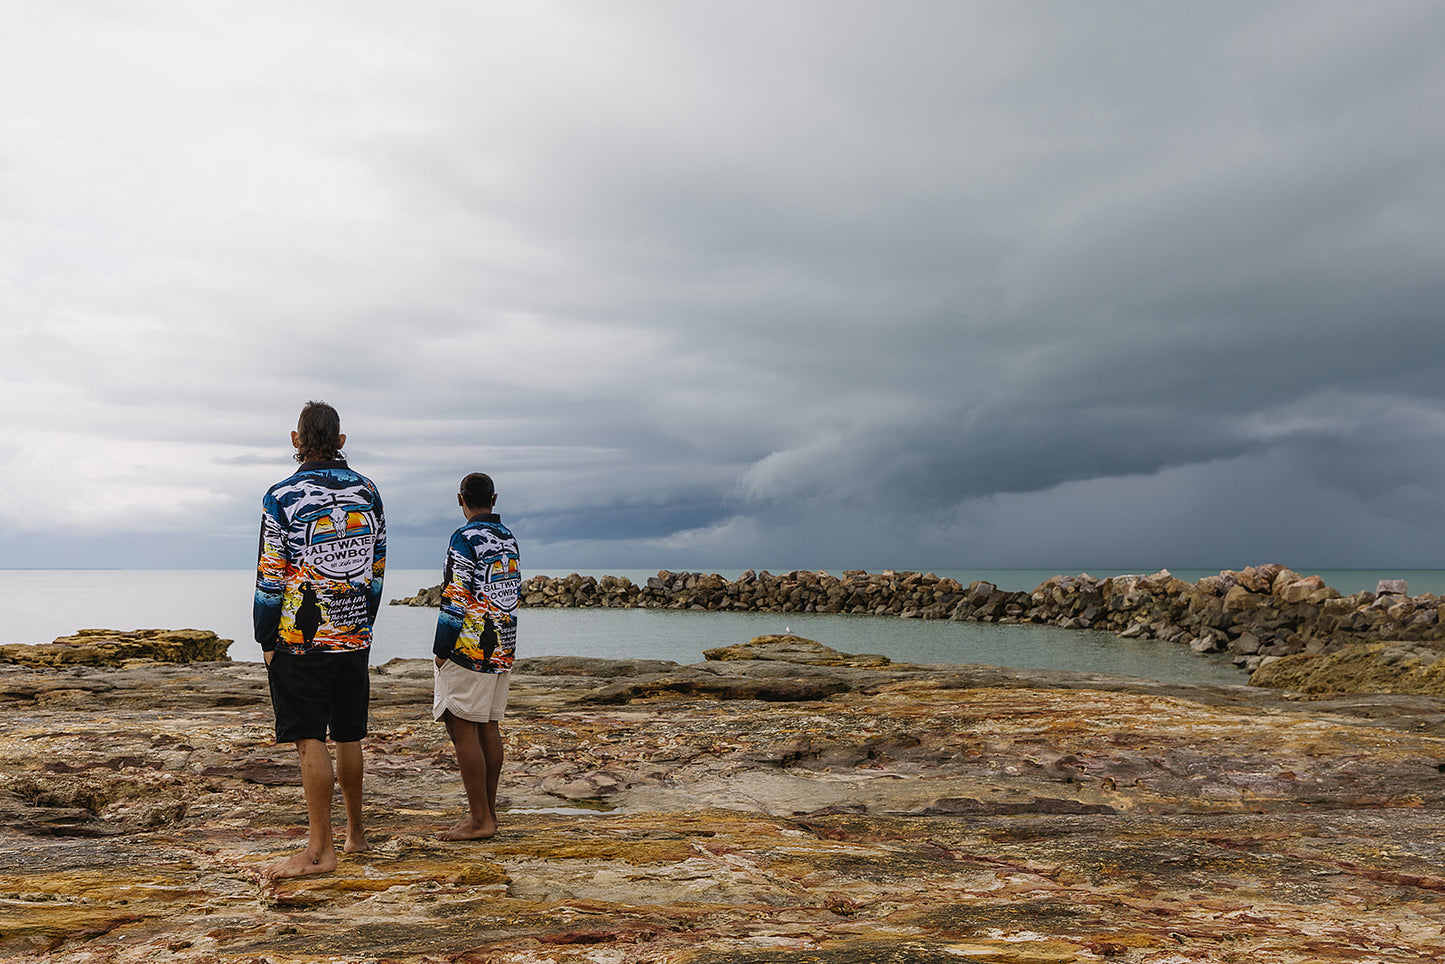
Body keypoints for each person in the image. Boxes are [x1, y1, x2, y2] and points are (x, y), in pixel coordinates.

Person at [253, 401, 386, 879]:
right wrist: (362, 622)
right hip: (355, 631)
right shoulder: (368, 491)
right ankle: (356, 835)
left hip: (301, 637)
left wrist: (265, 637)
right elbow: (376, 568)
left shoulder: (281, 497)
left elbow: (272, 574)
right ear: (341, 442)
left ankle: (318, 852)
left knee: (310, 738)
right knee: (349, 733)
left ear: (295, 440)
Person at [432, 472, 521, 841]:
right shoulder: (508, 538)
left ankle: (480, 820)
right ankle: (489, 814)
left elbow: (456, 595)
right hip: (502, 644)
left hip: (469, 647)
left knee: (460, 724)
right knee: (488, 725)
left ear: (460, 499)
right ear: (494, 498)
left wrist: (441, 648)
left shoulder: (464, 539)